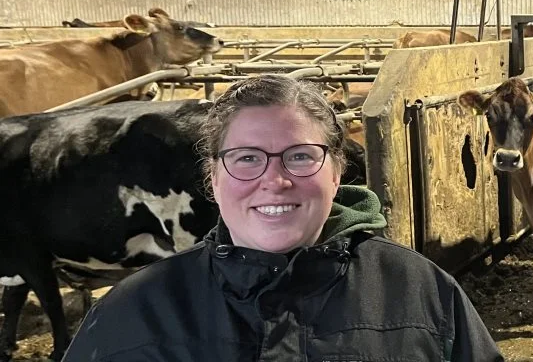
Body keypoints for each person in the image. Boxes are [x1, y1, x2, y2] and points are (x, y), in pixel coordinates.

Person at [63, 74, 503, 361]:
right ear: (213, 178)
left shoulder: (422, 293)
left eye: (300, 156)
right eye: (248, 158)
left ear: (336, 173)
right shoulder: (133, 311)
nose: (275, 180)